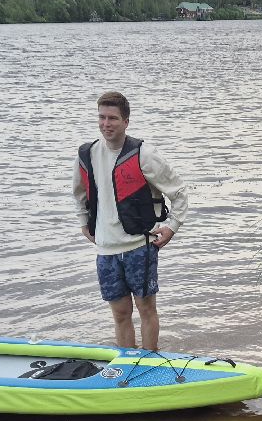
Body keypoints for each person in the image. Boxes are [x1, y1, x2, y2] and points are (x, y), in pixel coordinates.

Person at [71, 91, 188, 352]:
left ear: (126, 121)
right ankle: (127, 364)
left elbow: (179, 192)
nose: (106, 124)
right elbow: (78, 194)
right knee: (120, 314)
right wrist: (84, 223)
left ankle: (149, 362)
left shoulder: (144, 154)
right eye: (101, 117)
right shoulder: (87, 155)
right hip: (106, 250)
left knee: (146, 309)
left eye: (112, 118)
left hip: (140, 246)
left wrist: (172, 227)